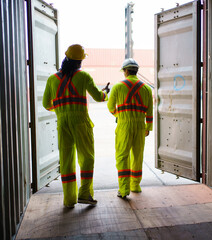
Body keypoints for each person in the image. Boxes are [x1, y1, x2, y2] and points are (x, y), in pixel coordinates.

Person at [42, 44, 110, 208]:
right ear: (80, 61)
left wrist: (61, 109)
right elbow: (98, 97)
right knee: (87, 157)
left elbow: (46, 104)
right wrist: (106, 92)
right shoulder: (84, 76)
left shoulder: (52, 79)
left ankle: (69, 199)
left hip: (62, 123)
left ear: (66, 58)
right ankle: (85, 194)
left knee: (66, 160)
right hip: (80, 122)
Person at [107, 58, 153, 199]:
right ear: (136, 71)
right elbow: (150, 112)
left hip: (124, 125)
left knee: (122, 156)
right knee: (137, 156)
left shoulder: (117, 87)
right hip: (140, 126)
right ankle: (135, 185)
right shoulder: (146, 88)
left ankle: (124, 189)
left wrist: (118, 115)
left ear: (126, 71)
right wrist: (148, 128)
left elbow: (110, 107)